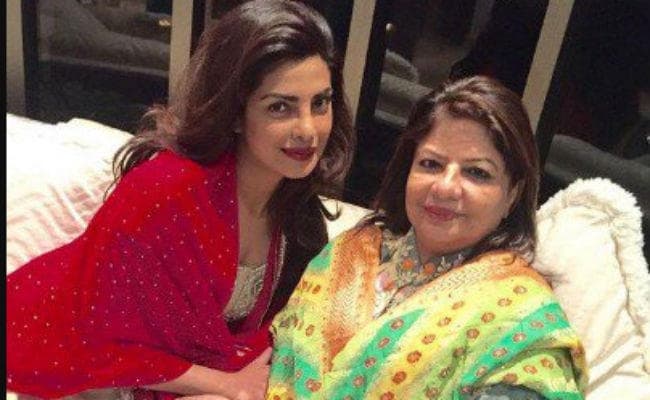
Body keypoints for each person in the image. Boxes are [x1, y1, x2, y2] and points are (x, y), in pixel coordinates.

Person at [6, 1, 354, 399]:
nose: (308, 129)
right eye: (280, 107)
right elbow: (98, 332)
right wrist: (227, 384)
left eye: (320, 103)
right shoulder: (164, 191)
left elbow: (279, 331)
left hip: (186, 374)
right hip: (74, 364)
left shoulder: (297, 211)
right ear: (235, 113)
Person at [268, 76, 587, 399]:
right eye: (431, 164)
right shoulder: (351, 251)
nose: (445, 187)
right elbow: (278, 355)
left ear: (512, 195)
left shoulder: (520, 317)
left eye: (477, 172)